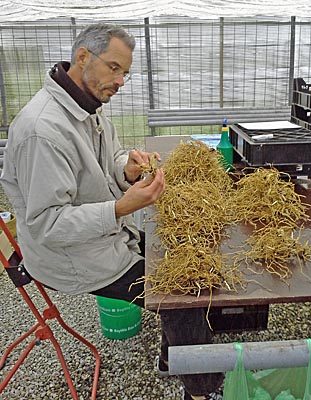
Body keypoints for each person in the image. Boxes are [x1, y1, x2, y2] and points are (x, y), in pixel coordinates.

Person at [0, 23, 223, 400]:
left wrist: (127, 169)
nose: (120, 81)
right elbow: (46, 225)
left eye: (125, 72)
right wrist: (121, 207)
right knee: (186, 295)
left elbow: (110, 161)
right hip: (70, 256)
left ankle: (174, 360)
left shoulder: (88, 108)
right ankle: (200, 392)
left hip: (102, 236)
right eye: (114, 68)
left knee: (180, 245)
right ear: (83, 57)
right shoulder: (43, 131)